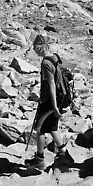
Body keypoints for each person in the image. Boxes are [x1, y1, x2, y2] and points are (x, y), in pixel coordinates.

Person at [25, 34, 72, 170]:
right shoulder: (55, 58)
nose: (34, 49)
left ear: (40, 47)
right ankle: (64, 155)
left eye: (35, 47)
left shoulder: (46, 63)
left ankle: (39, 160)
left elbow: (51, 84)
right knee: (51, 127)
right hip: (61, 98)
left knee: (39, 128)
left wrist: (54, 106)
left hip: (51, 101)